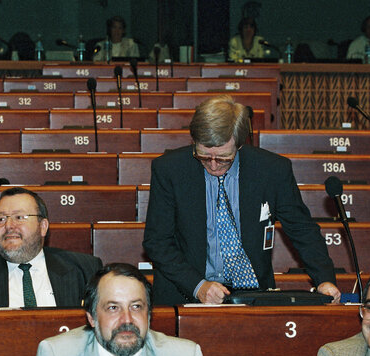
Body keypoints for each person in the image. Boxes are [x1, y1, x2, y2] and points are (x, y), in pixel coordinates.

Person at [143, 95, 340, 305]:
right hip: (185, 294)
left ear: (239, 144)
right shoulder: (169, 170)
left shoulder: (272, 170)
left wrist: (324, 279)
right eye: (203, 155)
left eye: (223, 158)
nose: (213, 165)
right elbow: (157, 242)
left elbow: (302, 229)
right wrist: (198, 286)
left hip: (253, 295)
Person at [19, 263, 231, 356]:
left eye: (136, 307)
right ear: (92, 318)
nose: (127, 319)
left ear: (149, 315)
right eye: (113, 308)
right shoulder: (60, 355)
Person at [0, 187, 102, 308]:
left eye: (19, 217)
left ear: (43, 226)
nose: (8, 226)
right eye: (0, 219)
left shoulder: (84, 269)